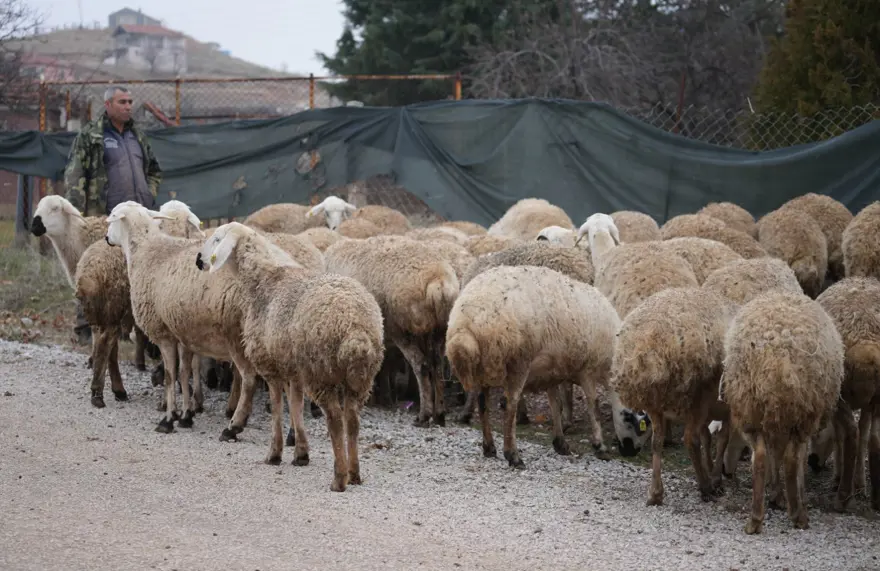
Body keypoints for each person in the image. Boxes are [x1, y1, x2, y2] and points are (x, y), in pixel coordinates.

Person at [63, 85, 163, 344]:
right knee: (95, 273)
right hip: (104, 219)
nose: (128, 106)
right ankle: (87, 326)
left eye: (130, 101)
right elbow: (74, 174)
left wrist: (149, 195)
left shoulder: (137, 136)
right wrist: (78, 216)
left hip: (138, 220)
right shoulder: (91, 136)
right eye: (122, 102)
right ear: (108, 105)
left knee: (135, 271)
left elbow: (154, 169)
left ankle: (131, 329)